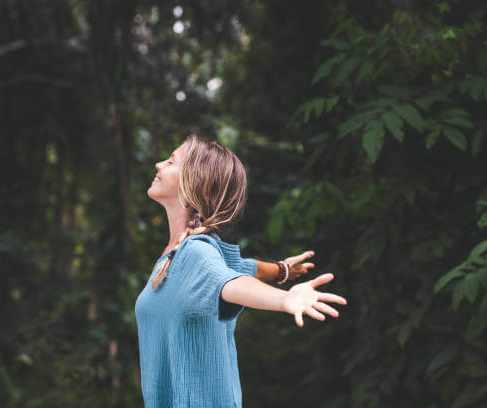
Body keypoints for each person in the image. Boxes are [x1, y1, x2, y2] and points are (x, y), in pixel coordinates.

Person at [135, 134, 347, 407]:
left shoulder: (196, 253)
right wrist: (281, 270)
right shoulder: (176, 256)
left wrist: (283, 299)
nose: (158, 164)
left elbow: (231, 283)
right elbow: (240, 268)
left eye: (170, 161)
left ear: (192, 182)